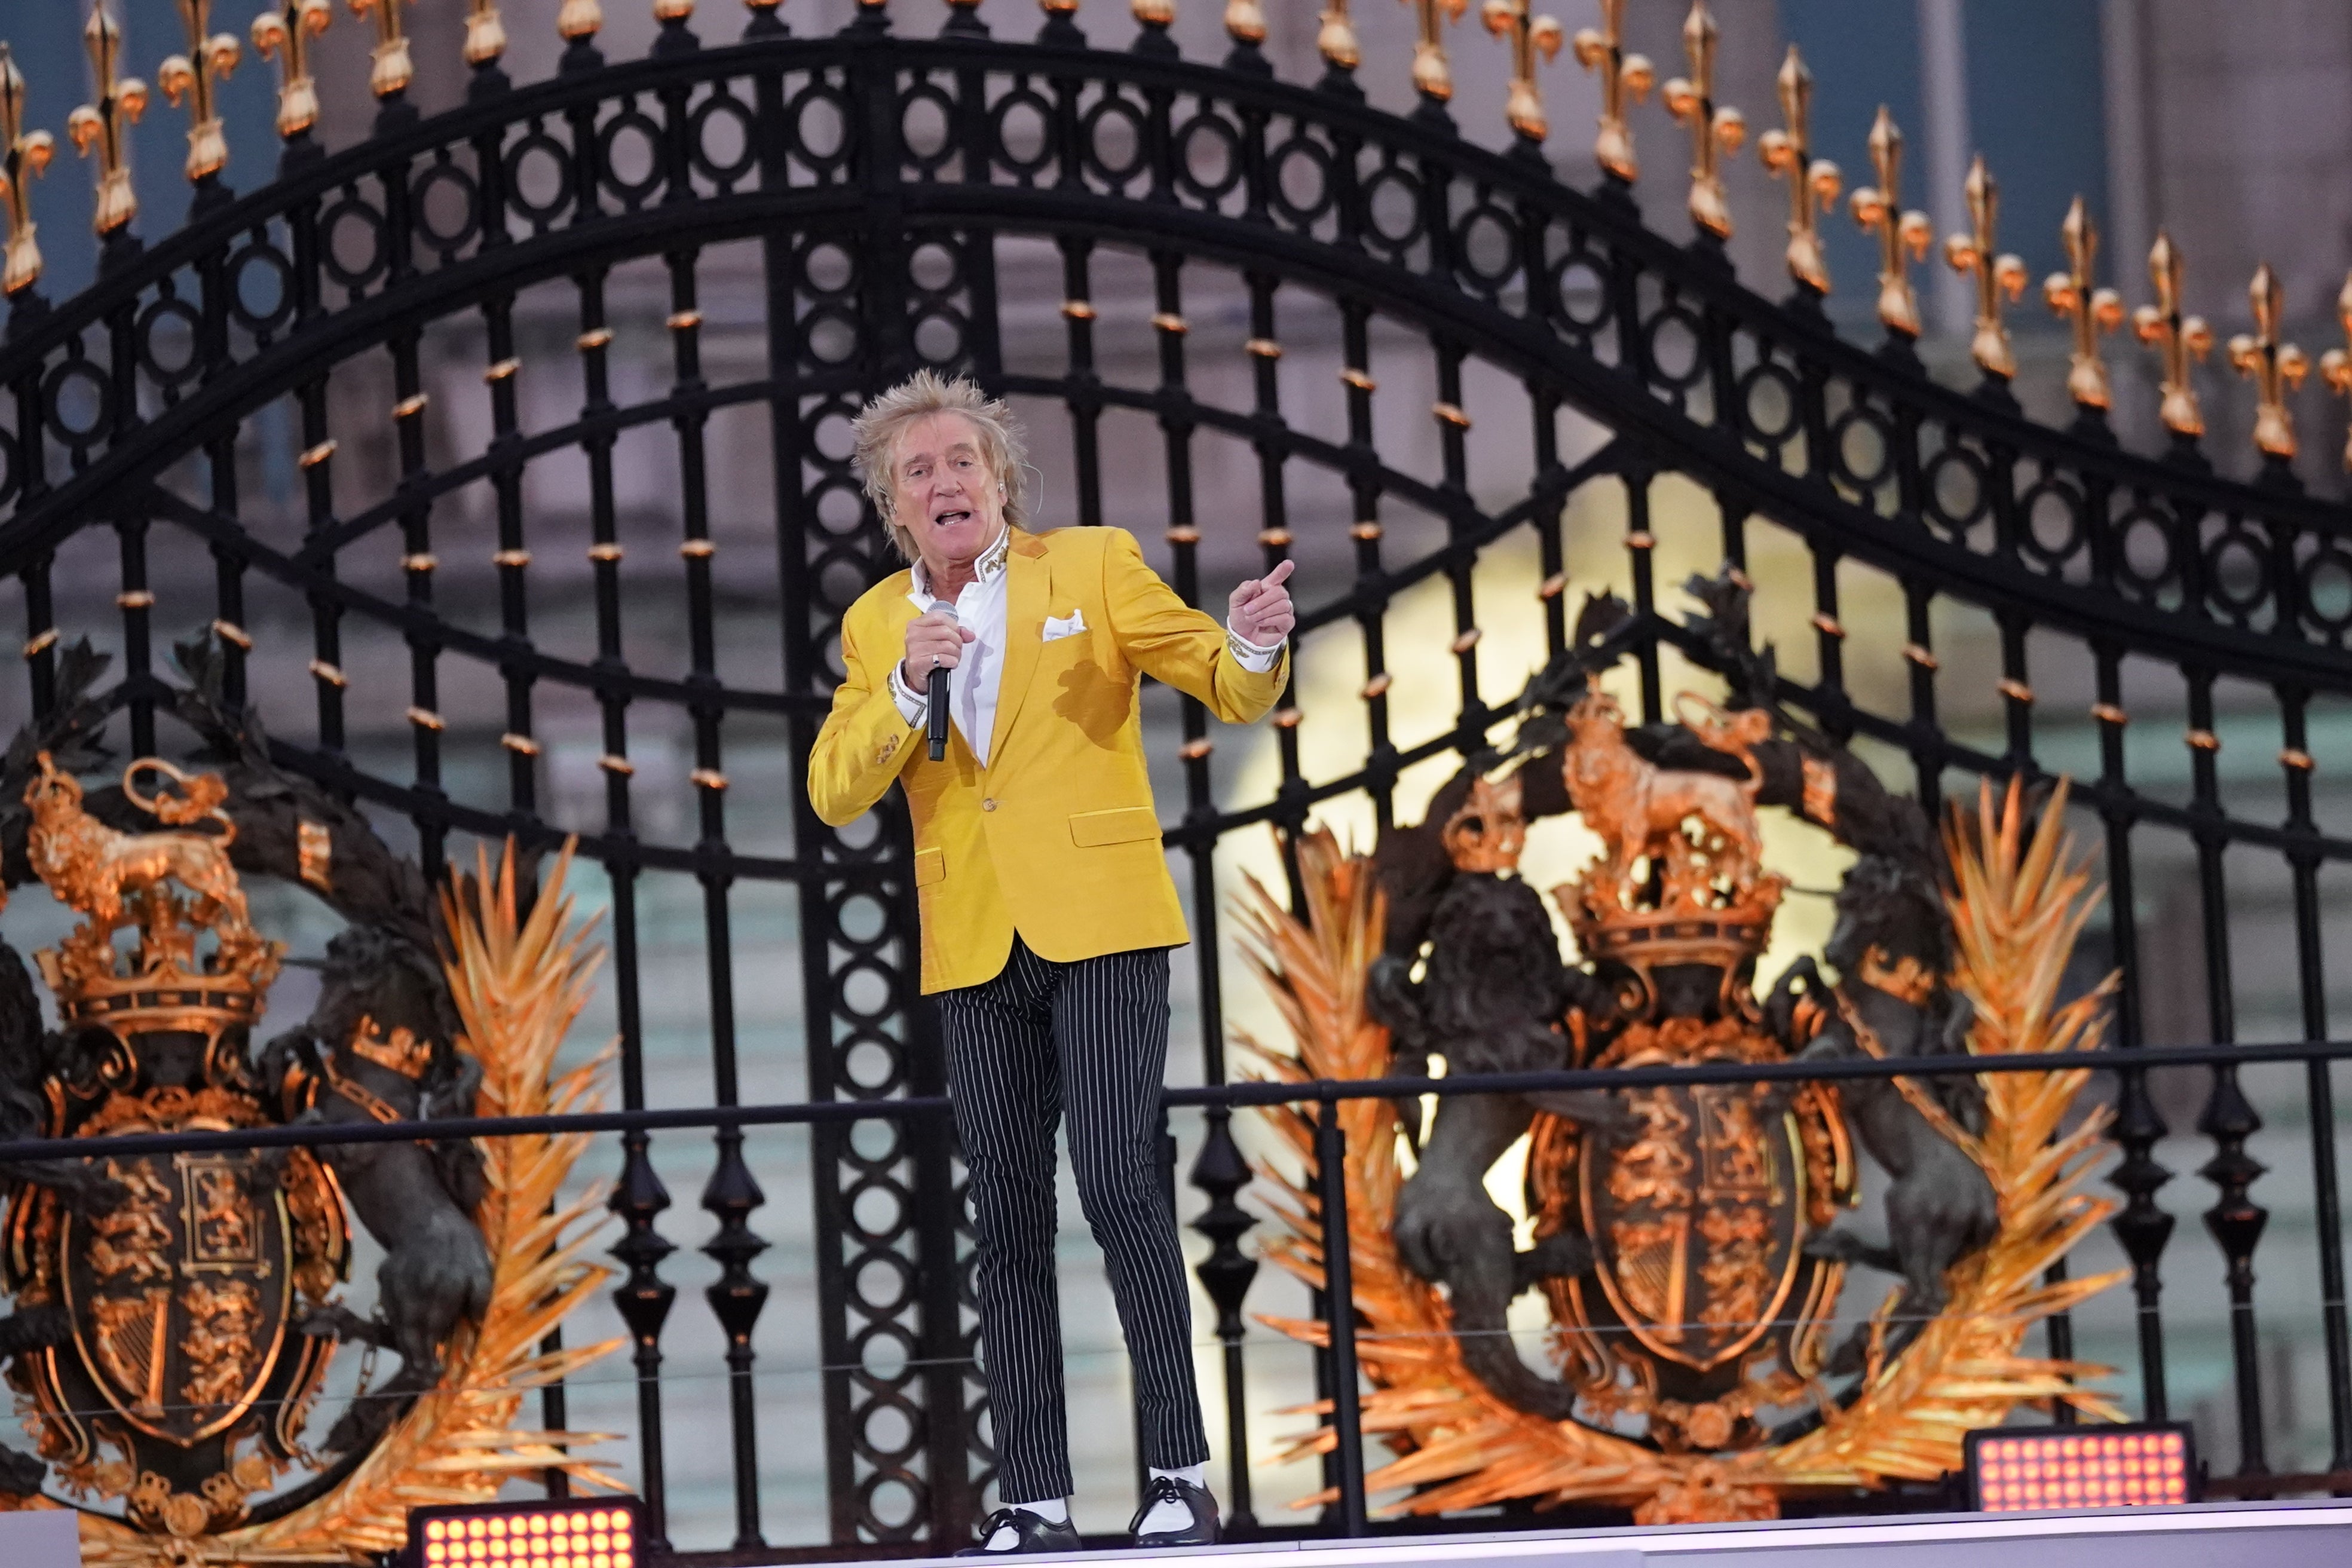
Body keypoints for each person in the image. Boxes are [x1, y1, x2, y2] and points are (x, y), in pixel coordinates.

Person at [808, 372, 1296, 1554]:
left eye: (962, 462)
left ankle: (1178, 1472)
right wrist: (906, 686)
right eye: (919, 472)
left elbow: (1220, 679)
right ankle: (1031, 1493)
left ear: (998, 480)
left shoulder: (1087, 566)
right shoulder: (879, 626)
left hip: (1105, 925)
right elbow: (836, 788)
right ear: (895, 505)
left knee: (1124, 1181)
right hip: (973, 942)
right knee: (1007, 1212)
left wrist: (1252, 638)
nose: (945, 483)